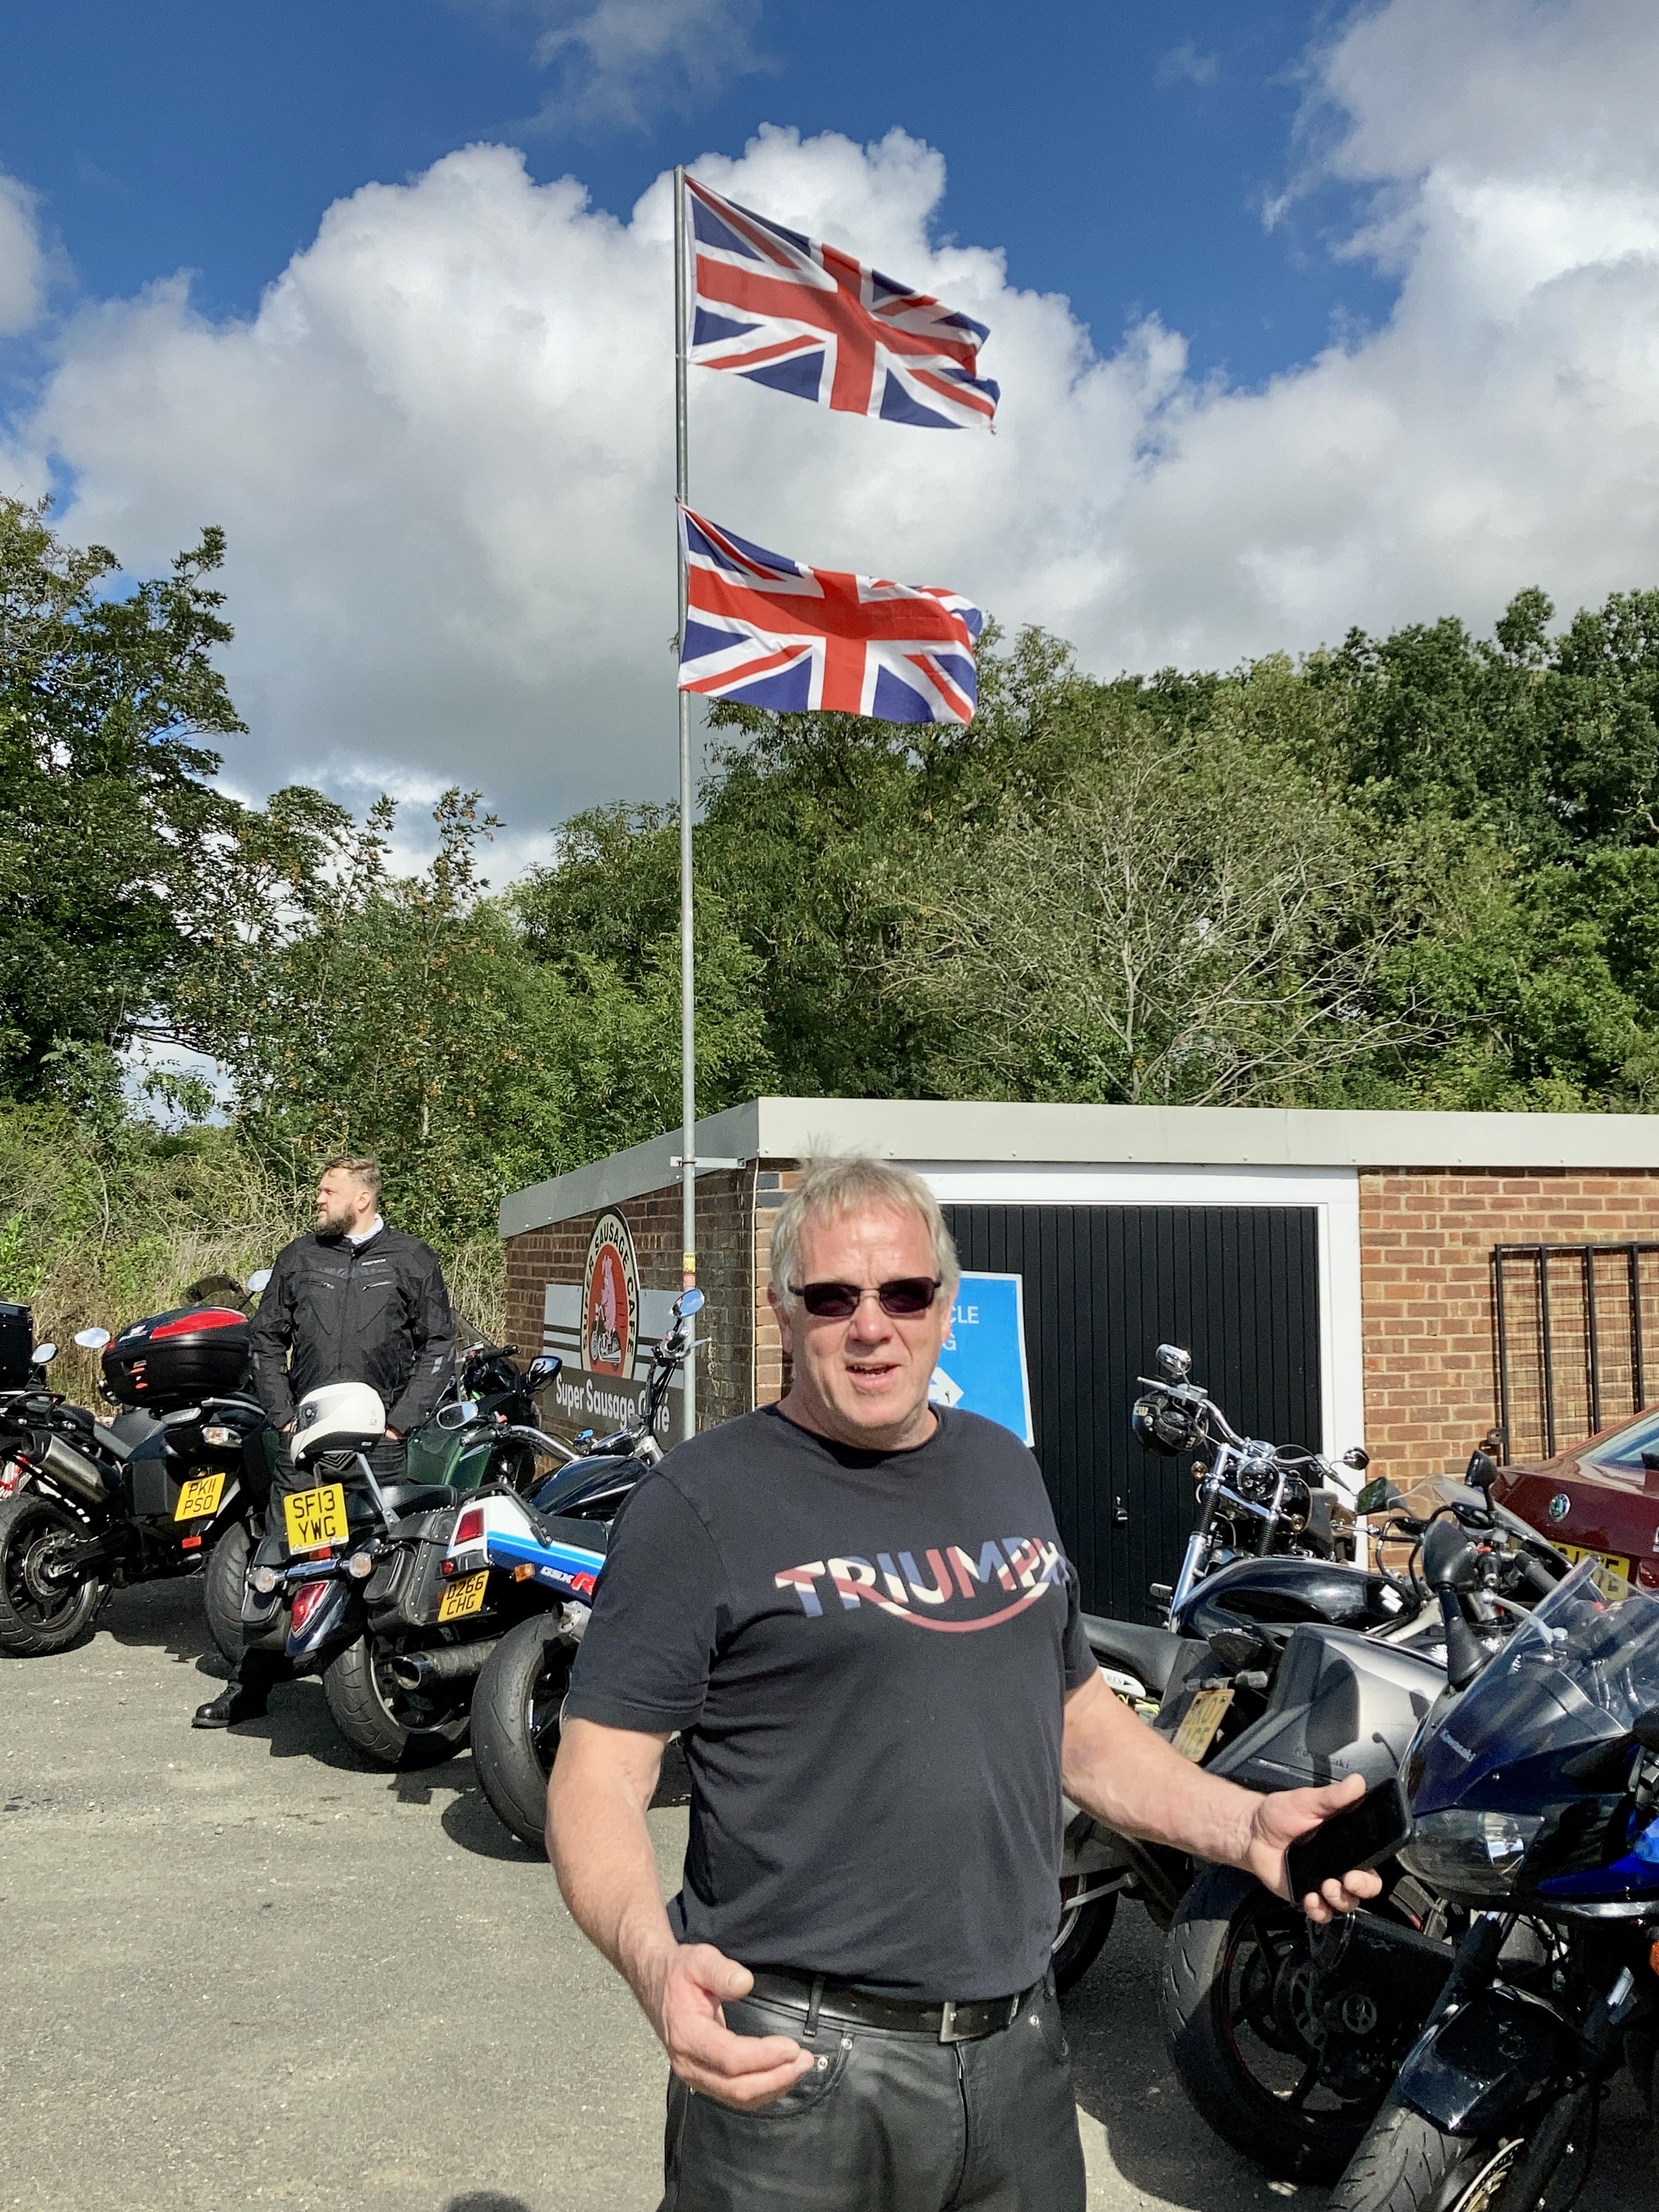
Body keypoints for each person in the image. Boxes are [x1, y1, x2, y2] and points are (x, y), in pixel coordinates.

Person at [548, 1154, 1382, 2212]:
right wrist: (651, 1959)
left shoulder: (1000, 1466)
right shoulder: (699, 1501)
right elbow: (597, 1776)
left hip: (1017, 2053)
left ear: (945, 1304)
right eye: (832, 1297)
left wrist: (1245, 1824)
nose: (870, 1326)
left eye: (903, 1293)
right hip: (795, 2071)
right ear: (780, 1309)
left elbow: (1076, 1722)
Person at [192, 1154, 456, 1729]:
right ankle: (250, 1687)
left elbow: (440, 1344)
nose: (318, 1199)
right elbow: (265, 1341)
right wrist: (285, 1419)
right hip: (307, 1447)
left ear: (362, 1198)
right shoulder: (301, 1257)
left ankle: (387, 1688)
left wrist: (400, 1422)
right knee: (283, 1559)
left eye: (328, 1191)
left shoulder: (411, 1258)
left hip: (379, 1449)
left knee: (382, 1564)